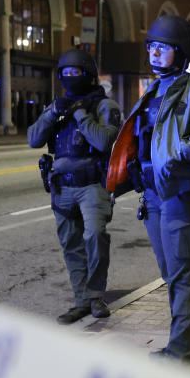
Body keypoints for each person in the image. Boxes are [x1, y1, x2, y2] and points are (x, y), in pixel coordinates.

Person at [120, 15, 190, 362]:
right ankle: (180, 342)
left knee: (182, 273)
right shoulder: (152, 91)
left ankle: (184, 351)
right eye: (151, 46)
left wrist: (182, 150)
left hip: (182, 195)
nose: (155, 53)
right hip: (154, 195)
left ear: (181, 51)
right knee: (171, 273)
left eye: (164, 47)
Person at [28, 49, 122, 324]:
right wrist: (52, 114)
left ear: (89, 76)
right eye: (65, 74)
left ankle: (95, 297)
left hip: (92, 185)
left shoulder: (105, 107)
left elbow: (103, 142)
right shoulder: (59, 105)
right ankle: (81, 301)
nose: (70, 78)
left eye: (75, 73)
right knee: (71, 245)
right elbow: (33, 139)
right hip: (62, 188)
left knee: (95, 237)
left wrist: (81, 115)